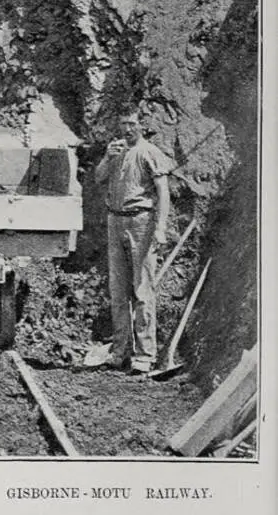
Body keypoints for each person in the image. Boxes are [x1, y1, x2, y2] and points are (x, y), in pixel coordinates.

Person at [94, 109, 175, 374]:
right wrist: (107, 157)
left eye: (132, 124)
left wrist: (161, 228)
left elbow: (163, 193)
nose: (127, 129)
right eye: (123, 124)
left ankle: (145, 355)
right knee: (118, 290)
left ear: (142, 125)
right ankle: (120, 352)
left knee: (142, 289)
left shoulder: (149, 152)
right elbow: (98, 177)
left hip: (141, 221)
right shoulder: (116, 151)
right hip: (115, 221)